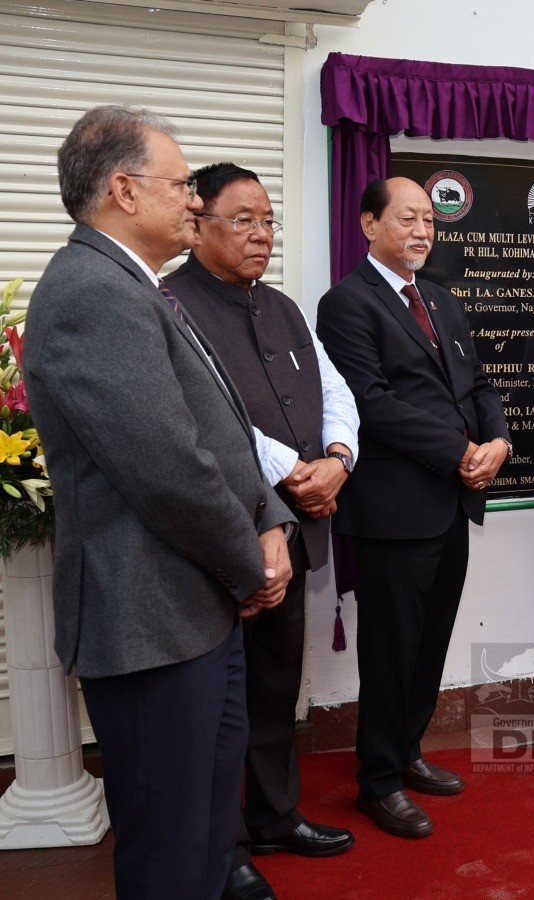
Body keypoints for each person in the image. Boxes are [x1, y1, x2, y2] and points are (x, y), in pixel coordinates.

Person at [25, 105, 294, 900]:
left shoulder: (132, 284)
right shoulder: (90, 291)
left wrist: (271, 521)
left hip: (193, 608)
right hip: (147, 620)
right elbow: (169, 467)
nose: (196, 202)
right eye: (180, 185)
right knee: (169, 845)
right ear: (123, 189)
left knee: (208, 827)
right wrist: (252, 566)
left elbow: (220, 426)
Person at [165, 163, 359, 900]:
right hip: (229, 534)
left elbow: (334, 390)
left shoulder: (280, 306)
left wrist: (338, 459)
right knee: (225, 700)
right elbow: (208, 419)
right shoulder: (170, 305)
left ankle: (277, 816)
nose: (261, 235)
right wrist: (297, 473)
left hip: (300, 524)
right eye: (242, 219)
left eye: (268, 220)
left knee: (278, 685)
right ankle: (230, 843)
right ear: (197, 223)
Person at [316, 177, 510, 839]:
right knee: (392, 651)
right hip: (394, 513)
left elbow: (478, 383)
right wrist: (459, 451)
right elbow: (370, 404)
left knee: (429, 644)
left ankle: (407, 754)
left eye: (430, 220)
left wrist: (498, 441)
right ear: (369, 223)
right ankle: (376, 783)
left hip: (450, 505)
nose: (423, 231)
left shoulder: (441, 300)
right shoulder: (346, 305)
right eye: (408, 219)